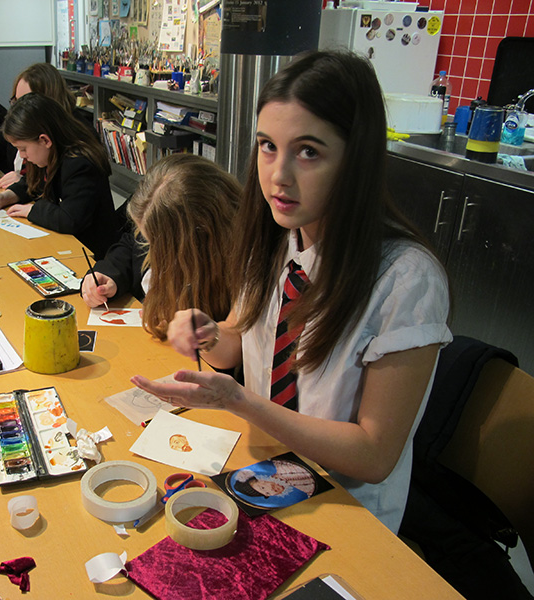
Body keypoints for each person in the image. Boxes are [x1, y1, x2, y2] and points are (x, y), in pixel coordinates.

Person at [130, 50, 452, 534]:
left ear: (356, 160)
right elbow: (235, 342)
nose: (278, 175)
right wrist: (206, 331)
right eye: (267, 146)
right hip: (262, 472)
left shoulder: (407, 279)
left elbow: (374, 453)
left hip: (347, 513)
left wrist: (239, 401)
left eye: (308, 151)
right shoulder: (277, 240)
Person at [81, 153, 240, 342]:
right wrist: (110, 275)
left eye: (156, 245)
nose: (150, 250)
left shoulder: (236, 275)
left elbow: (225, 343)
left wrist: (183, 324)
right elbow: (130, 244)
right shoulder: (157, 216)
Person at [0, 93, 119, 259]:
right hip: (69, 244)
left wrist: (31, 210)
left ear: (45, 140)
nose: (21, 155)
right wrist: (7, 196)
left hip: (93, 254)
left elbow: (70, 219)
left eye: (23, 149)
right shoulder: (51, 154)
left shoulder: (80, 163)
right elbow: (34, 184)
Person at [0, 62, 94, 188]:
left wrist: (26, 182)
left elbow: (64, 187)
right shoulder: (23, 122)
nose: (19, 109)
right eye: (16, 101)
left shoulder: (77, 137)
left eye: (26, 102)